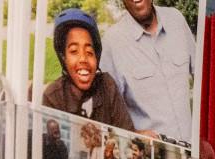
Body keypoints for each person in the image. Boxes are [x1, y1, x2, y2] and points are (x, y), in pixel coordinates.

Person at [99, 0, 197, 143]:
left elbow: (203, 77)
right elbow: (105, 115)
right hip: (152, 154)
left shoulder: (176, 19)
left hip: (194, 148)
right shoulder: (112, 42)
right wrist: (134, 134)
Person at [39, 9, 134, 131]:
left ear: (96, 57)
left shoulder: (107, 85)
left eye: (89, 52)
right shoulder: (53, 97)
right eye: (74, 51)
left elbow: (126, 133)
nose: (83, 59)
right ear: (63, 57)